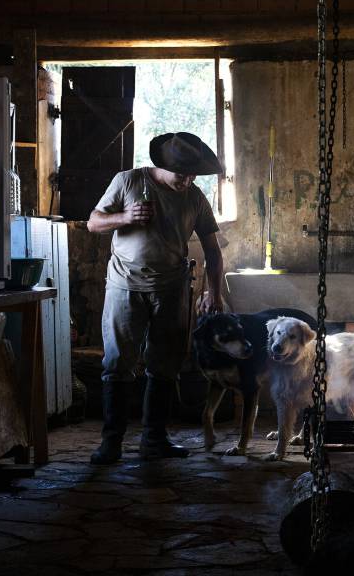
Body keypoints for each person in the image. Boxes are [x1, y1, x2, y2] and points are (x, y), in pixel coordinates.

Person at [87, 132, 225, 465]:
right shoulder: (128, 181)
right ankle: (111, 443)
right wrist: (125, 217)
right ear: (162, 166)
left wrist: (213, 291)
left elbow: (212, 249)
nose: (188, 180)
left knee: (165, 365)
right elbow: (94, 222)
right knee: (117, 363)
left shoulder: (194, 197)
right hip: (125, 285)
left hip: (172, 288)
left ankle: (154, 439)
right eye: (183, 173)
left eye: (194, 174)